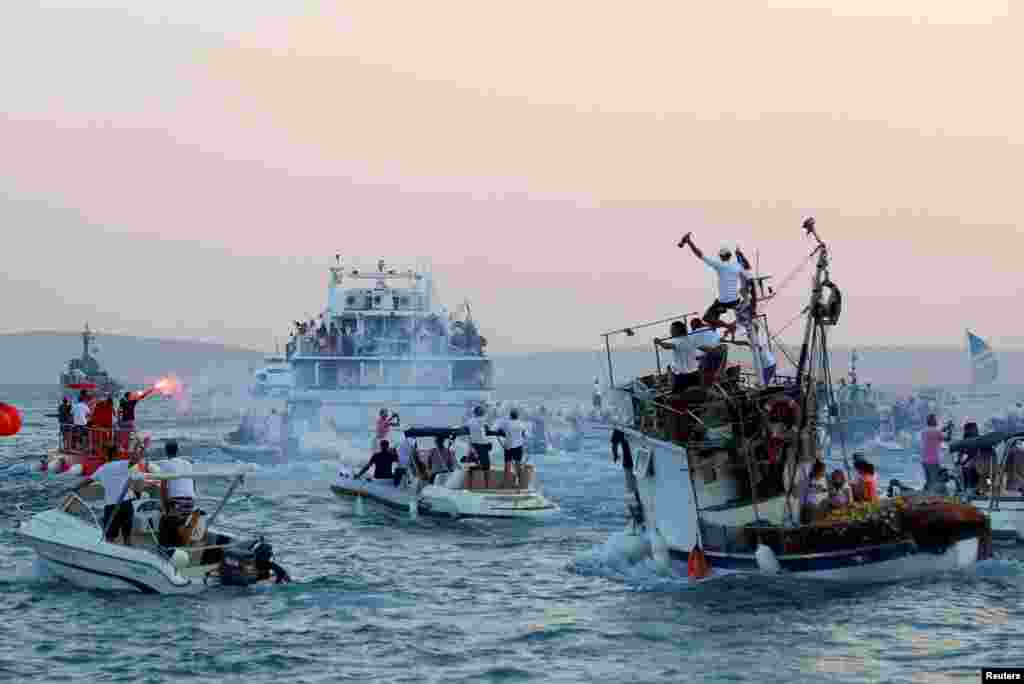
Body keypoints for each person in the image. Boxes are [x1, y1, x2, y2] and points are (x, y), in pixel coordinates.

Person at [73, 446, 149, 544]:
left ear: (105, 455)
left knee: (110, 539)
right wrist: (141, 449)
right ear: (117, 454)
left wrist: (74, 487)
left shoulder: (101, 469)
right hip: (126, 504)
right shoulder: (123, 464)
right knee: (127, 538)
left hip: (111, 506)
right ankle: (128, 553)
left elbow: (87, 481)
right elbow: (136, 459)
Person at [678, 232, 745, 329]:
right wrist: (739, 254)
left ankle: (728, 326)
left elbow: (700, 255)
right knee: (715, 314)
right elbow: (742, 262)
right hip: (736, 300)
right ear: (730, 256)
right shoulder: (737, 265)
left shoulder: (719, 265)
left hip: (723, 301)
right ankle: (715, 328)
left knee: (707, 317)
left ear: (721, 257)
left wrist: (689, 242)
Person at [158, 441, 198, 547]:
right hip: (190, 502)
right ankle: (179, 544)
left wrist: (164, 507)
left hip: (177, 502)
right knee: (178, 521)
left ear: (166, 452)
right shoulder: (188, 464)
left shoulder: (166, 464)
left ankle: (165, 550)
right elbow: (194, 484)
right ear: (178, 451)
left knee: (164, 522)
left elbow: (163, 487)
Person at [496, 408, 529, 489]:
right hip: (518, 447)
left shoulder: (506, 423)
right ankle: (520, 484)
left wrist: (502, 444)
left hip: (508, 447)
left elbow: (497, 433)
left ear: (510, 415)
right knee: (518, 466)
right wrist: (523, 446)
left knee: (507, 466)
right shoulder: (522, 424)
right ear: (518, 416)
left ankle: (504, 484)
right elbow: (524, 436)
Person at [465, 406, 494, 489]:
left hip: (474, 446)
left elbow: (464, 428)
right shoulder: (484, 421)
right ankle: (487, 486)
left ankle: (469, 485)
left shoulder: (469, 421)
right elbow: (488, 429)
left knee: (472, 465)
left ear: (474, 413)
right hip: (483, 446)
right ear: (482, 413)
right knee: (487, 467)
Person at [920, 414, 944, 493]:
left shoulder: (924, 431)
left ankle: (925, 497)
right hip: (933, 460)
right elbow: (946, 438)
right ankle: (933, 499)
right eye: (935, 419)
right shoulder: (937, 432)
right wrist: (950, 429)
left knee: (928, 481)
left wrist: (943, 429)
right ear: (933, 421)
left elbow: (935, 435)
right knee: (935, 482)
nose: (937, 421)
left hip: (924, 460)